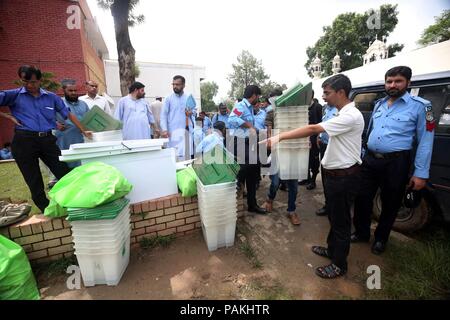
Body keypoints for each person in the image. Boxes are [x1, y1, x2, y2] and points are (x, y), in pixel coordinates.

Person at [261, 74, 364, 279]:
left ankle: (339, 264)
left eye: (327, 93)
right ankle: (332, 250)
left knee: (342, 222)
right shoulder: (339, 112)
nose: (324, 97)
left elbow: (313, 128)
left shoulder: (350, 116)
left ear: (341, 92)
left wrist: (279, 136)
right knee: (334, 217)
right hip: (335, 175)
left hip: (344, 178)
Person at [352, 66, 435, 255]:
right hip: (371, 159)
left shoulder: (422, 106)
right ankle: (361, 233)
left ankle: (381, 239)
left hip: (396, 163)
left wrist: (421, 173)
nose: (393, 85)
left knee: (390, 203)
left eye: (398, 81)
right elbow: (371, 130)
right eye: (389, 81)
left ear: (408, 83)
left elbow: (426, 141)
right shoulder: (379, 104)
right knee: (362, 198)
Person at [0, 66, 92, 213]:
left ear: (40, 80)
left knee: (64, 172)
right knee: (34, 180)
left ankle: (75, 202)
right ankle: (47, 210)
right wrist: (7, 116)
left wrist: (83, 130)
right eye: (26, 81)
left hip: (47, 140)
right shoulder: (14, 95)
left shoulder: (51, 97)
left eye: (34, 82)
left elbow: (68, 114)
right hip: (24, 141)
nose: (30, 85)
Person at [228, 85, 266, 214]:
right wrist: (249, 125)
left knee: (254, 173)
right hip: (239, 141)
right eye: (258, 96)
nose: (258, 99)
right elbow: (232, 118)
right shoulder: (241, 106)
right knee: (248, 165)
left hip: (249, 142)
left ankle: (252, 204)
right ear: (254, 95)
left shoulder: (249, 108)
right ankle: (237, 180)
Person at [160, 75, 197, 161]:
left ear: (183, 85)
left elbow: (195, 112)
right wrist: (164, 130)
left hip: (186, 133)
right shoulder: (168, 98)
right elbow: (163, 115)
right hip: (173, 133)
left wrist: (191, 112)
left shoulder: (189, 97)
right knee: (174, 159)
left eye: (177, 84)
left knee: (186, 160)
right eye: (173, 84)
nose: (175, 86)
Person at [55, 79, 90, 168]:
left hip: (82, 139)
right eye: (70, 91)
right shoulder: (59, 104)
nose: (73, 93)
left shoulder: (83, 104)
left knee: (82, 165)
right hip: (65, 140)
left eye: (75, 90)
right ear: (64, 91)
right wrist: (56, 124)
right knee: (66, 165)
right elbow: (47, 118)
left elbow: (89, 119)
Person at [316, 104, 338, 216]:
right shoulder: (326, 109)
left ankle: (334, 207)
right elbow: (323, 124)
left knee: (333, 179)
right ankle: (328, 205)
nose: (324, 96)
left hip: (334, 147)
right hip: (324, 145)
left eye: (327, 93)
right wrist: (319, 136)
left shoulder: (340, 110)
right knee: (325, 177)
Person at [298, 95, 323, 190]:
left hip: (314, 138)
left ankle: (313, 181)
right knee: (305, 159)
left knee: (314, 160)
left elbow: (320, 124)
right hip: (304, 137)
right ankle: (306, 178)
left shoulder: (317, 107)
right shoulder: (304, 107)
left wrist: (317, 137)